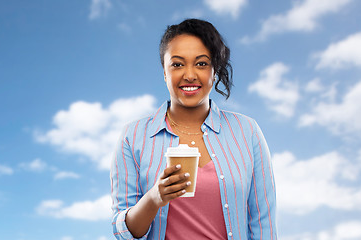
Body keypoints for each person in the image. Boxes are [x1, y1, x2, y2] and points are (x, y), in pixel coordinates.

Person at [110, 18, 277, 240]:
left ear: (214, 71)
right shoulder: (134, 136)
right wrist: (154, 198)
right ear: (164, 72)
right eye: (177, 64)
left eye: (201, 63)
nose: (189, 75)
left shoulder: (247, 131)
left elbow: (263, 223)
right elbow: (123, 233)